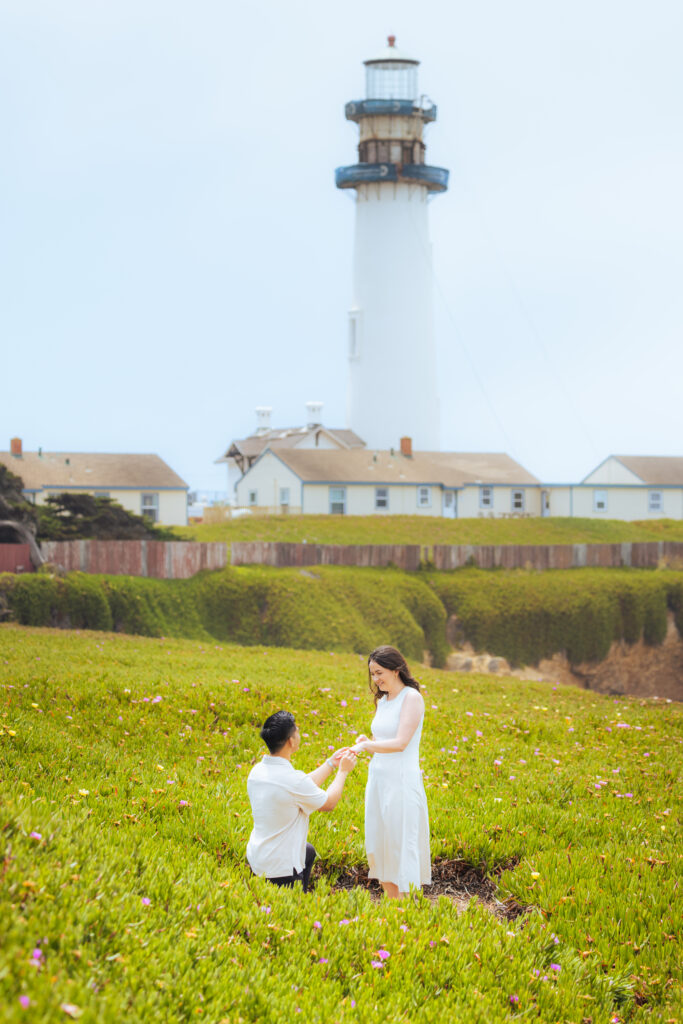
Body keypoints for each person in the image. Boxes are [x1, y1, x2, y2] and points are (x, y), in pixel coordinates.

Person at [351, 645, 431, 898]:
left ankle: (406, 904)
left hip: (401, 781)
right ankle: (391, 900)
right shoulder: (383, 700)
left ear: (396, 670)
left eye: (379, 673)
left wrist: (366, 745)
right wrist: (369, 742)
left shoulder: (412, 698)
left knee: (400, 841)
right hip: (379, 778)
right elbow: (382, 742)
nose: (375, 679)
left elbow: (400, 743)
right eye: (372, 674)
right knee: (379, 839)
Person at [246, 710, 357, 892]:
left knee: (308, 851)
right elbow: (328, 803)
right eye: (296, 730)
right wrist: (343, 771)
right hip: (280, 868)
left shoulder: (257, 771)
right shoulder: (292, 780)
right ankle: (297, 900)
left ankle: (301, 894)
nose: (298, 732)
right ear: (291, 741)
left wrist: (330, 763)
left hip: (259, 856)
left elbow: (300, 787)